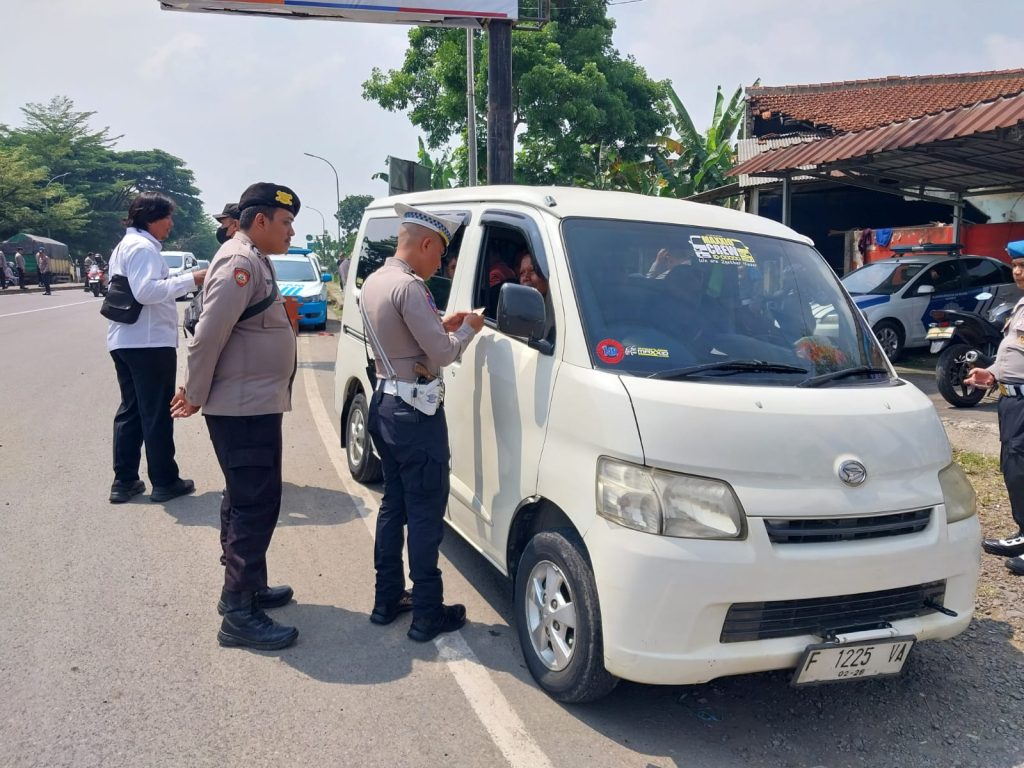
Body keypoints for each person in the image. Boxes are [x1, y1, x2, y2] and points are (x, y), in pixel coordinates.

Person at [171, 182, 301, 651]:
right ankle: (239, 613)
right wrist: (196, 392)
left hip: (256, 405)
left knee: (251, 498)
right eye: (285, 223)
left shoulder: (255, 258)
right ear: (260, 220)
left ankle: (250, 587)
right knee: (253, 504)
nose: (290, 231)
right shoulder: (240, 263)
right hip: (242, 408)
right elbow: (208, 335)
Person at [360, 202, 484, 642]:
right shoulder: (411, 288)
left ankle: (385, 599)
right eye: (440, 256)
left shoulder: (376, 280)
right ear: (427, 243)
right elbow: (443, 353)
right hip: (416, 415)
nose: (441, 265)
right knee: (427, 513)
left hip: (386, 404)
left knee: (394, 506)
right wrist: (469, 328)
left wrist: (441, 325)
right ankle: (428, 612)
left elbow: (407, 339)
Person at [107, 192, 206, 505]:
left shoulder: (129, 245)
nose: (171, 224)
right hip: (148, 343)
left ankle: (125, 481)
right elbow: (147, 291)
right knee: (156, 413)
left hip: (127, 340)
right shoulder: (143, 248)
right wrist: (193, 279)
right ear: (151, 218)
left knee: (132, 410)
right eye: (167, 218)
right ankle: (164, 480)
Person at [965, 239, 1024, 576]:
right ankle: (1023, 532)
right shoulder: (1021, 306)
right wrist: (991, 374)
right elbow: (1014, 355)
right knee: (1014, 469)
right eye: (1015, 265)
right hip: (1011, 401)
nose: (1017, 272)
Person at [517, 250, 555, 340]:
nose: (526, 277)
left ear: (546, 276)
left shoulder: (557, 309)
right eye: (522, 273)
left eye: (532, 270)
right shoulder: (518, 307)